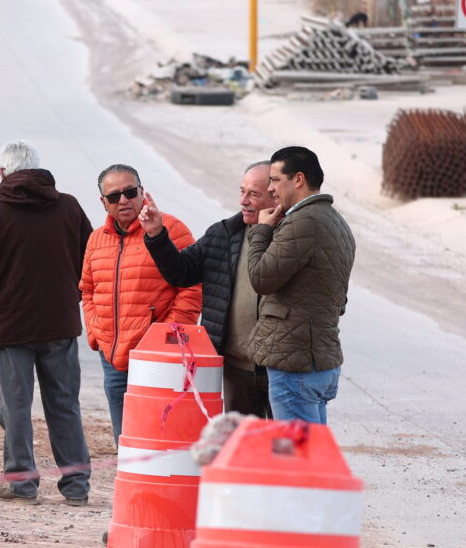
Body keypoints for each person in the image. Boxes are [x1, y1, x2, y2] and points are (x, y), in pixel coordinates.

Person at [0, 140, 93, 506]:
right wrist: (71, 298)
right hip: (59, 325)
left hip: (12, 328)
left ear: (3, 172)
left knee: (16, 407)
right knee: (65, 404)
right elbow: (91, 257)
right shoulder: (69, 207)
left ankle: (21, 484)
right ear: (37, 168)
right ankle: (77, 485)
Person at [139, 162, 277, 418]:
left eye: (254, 194)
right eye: (242, 191)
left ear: (275, 194)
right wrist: (157, 234)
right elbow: (181, 272)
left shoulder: (290, 238)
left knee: (285, 447)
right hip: (236, 369)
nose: (244, 201)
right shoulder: (223, 234)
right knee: (241, 447)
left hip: (280, 369)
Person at [80, 164, 201, 446]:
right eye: (114, 197)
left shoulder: (170, 228)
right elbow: (87, 290)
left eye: (130, 192)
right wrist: (96, 331)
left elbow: (192, 286)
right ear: (103, 203)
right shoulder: (97, 240)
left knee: (159, 437)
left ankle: (160, 489)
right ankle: (131, 489)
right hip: (112, 358)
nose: (123, 200)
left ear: (142, 192)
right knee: (125, 440)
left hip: (157, 357)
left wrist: (166, 337)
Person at [246, 146, 356, 424]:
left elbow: (261, 277)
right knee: (313, 455)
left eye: (275, 179)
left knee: (298, 459)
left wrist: (262, 231)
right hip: (317, 359)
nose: (271, 188)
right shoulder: (335, 221)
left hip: (294, 364)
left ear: (298, 179)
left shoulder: (302, 223)